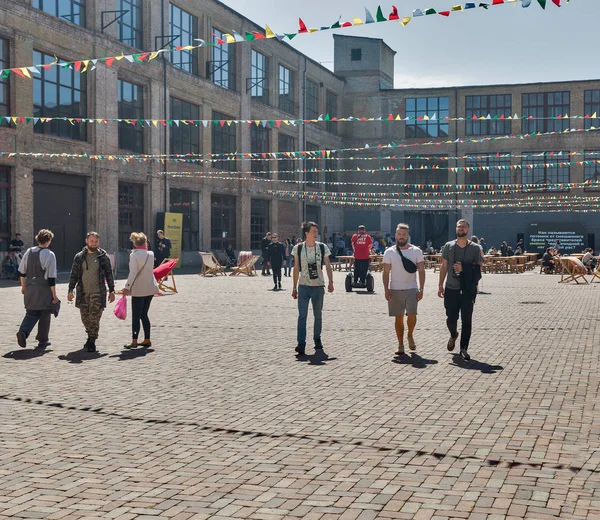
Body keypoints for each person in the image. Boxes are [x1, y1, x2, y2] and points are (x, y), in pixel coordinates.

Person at [438, 219, 483, 361]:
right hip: (451, 288)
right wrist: (440, 284)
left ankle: (464, 348)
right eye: (459, 226)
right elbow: (444, 266)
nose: (461, 229)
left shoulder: (475, 248)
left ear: (468, 230)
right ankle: (453, 334)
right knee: (451, 318)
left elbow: (479, 269)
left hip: (467, 289)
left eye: (464, 227)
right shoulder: (448, 246)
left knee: (467, 320)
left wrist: (464, 268)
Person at [67, 232, 116, 352]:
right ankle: (90, 337)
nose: (94, 244)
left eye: (96, 241)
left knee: (94, 318)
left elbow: (109, 274)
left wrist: (112, 290)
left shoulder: (103, 257)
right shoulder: (79, 257)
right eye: (91, 241)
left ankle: (92, 341)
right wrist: (70, 290)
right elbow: (73, 274)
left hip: (97, 292)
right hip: (83, 292)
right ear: (86, 241)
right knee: (85, 318)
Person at [291, 221, 334, 355]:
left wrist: (331, 282)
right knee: (302, 316)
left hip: (318, 286)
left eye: (317, 231)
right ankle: (301, 344)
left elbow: (327, 265)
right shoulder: (298, 248)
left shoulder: (322, 247)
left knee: (318, 315)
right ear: (306, 233)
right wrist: (294, 287)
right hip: (303, 286)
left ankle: (317, 339)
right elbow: (296, 268)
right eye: (314, 231)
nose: (316, 234)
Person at [383, 223, 425, 356]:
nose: (401, 237)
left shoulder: (416, 251)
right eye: (399, 234)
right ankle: (400, 344)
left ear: (408, 236)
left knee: (412, 314)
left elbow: (421, 270)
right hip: (395, 289)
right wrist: (386, 289)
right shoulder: (389, 252)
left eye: (404, 234)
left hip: (412, 288)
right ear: (395, 235)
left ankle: (410, 334)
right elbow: (385, 272)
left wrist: (421, 288)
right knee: (398, 318)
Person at [16, 229, 58, 349]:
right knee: (45, 312)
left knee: (31, 312)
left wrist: (23, 287)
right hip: (43, 288)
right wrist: (54, 295)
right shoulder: (50, 254)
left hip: (30, 287)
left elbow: (22, 272)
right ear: (48, 241)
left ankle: (23, 331)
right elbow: (51, 278)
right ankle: (43, 340)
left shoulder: (29, 252)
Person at [122, 232, 158, 349]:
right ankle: (147, 339)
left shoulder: (134, 256)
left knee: (136, 316)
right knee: (144, 314)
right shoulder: (151, 254)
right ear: (145, 242)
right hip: (150, 287)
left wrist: (127, 287)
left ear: (135, 243)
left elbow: (132, 273)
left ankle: (134, 341)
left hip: (139, 289)